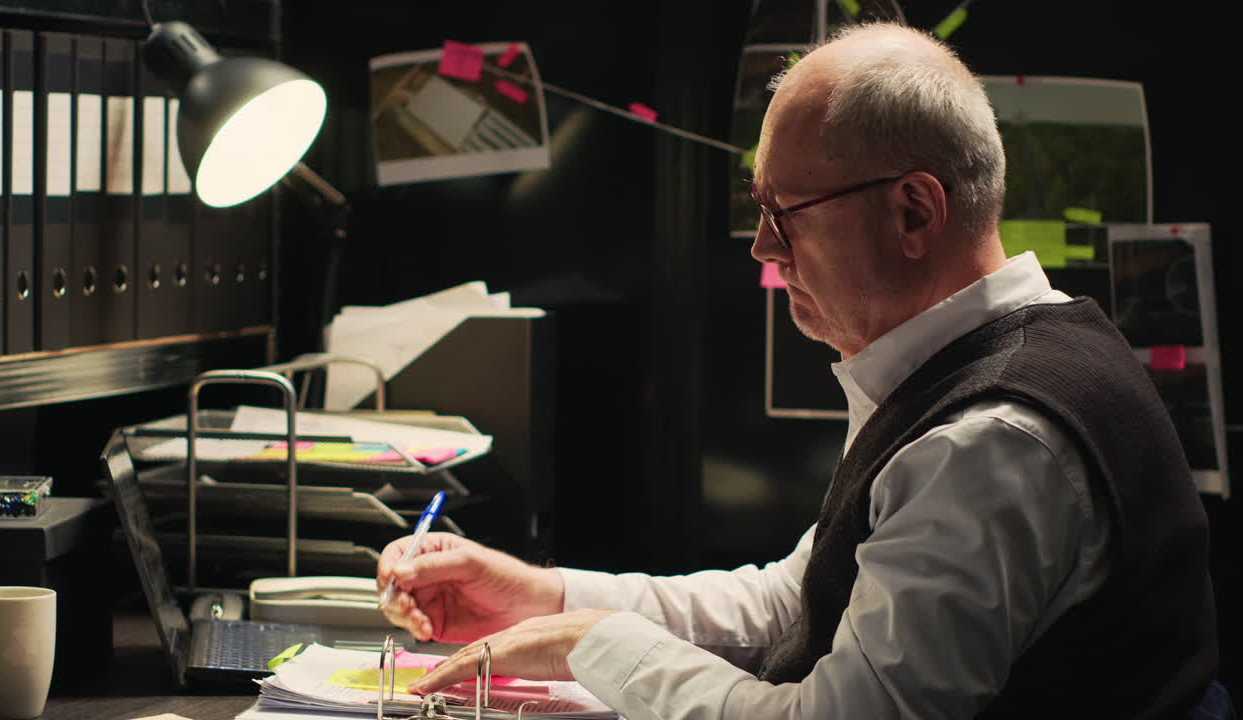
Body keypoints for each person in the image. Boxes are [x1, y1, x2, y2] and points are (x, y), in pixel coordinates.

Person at [377, 21, 1218, 719]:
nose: (765, 250)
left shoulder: (989, 442)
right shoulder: (979, 366)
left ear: (914, 211)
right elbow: (799, 599)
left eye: (786, 214)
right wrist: (546, 597)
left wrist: (592, 645)